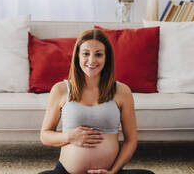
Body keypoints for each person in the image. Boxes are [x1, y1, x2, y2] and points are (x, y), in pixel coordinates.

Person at [39, 29, 154, 174]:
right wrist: (69, 136)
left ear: (106, 58)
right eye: (86, 53)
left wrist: (113, 172)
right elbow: (45, 135)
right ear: (77, 56)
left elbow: (131, 140)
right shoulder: (61, 89)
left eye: (98, 54)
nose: (92, 60)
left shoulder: (122, 91)